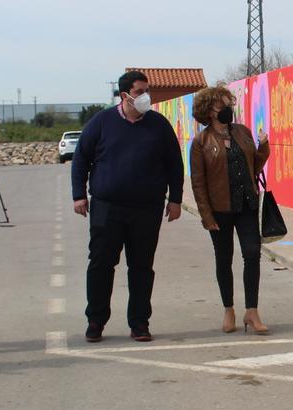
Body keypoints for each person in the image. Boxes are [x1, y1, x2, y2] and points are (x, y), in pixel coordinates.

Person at [72, 71, 184, 343]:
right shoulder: (101, 122)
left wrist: (176, 199)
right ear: (124, 95)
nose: (146, 96)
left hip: (147, 209)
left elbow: (174, 164)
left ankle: (139, 323)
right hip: (107, 208)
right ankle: (96, 321)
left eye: (148, 91)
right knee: (101, 265)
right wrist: (79, 195)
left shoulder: (158, 125)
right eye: (139, 91)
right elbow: (80, 160)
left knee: (142, 267)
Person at [189, 85, 271, 334]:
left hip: (246, 204)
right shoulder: (201, 142)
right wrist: (206, 215)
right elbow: (198, 182)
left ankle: (252, 312)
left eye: (229, 104)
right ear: (210, 111)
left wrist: (263, 147)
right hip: (219, 209)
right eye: (222, 105)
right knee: (224, 259)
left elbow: (254, 166)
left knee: (252, 254)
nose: (228, 109)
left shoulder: (242, 132)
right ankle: (229, 310)